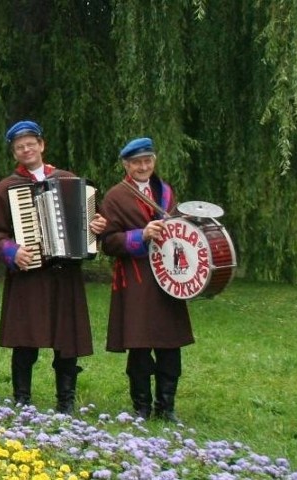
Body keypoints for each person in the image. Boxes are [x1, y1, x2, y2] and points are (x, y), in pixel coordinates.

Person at [0, 120, 107, 414]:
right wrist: (12, 251)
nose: (26, 149)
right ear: (14, 153)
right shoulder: (7, 188)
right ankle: (22, 398)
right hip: (29, 274)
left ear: (42, 145)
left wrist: (96, 227)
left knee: (66, 336)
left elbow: (88, 224)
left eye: (30, 144)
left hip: (64, 273)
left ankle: (65, 401)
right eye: (19, 147)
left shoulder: (69, 180)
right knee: (24, 338)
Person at [99, 137, 194, 422]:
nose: (143, 166)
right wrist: (140, 235)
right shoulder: (116, 196)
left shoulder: (165, 191)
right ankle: (141, 407)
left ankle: (167, 407)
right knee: (140, 344)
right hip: (137, 277)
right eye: (137, 162)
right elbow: (109, 242)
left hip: (168, 276)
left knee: (170, 342)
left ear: (154, 161)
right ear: (127, 165)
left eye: (148, 160)